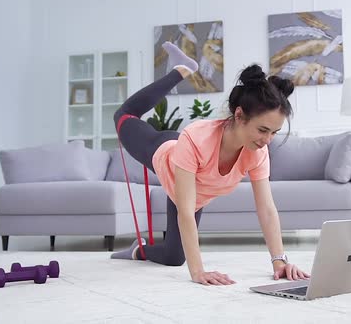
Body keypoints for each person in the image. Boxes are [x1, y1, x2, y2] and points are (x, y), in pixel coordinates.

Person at [111, 41, 310, 286]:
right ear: (239, 115)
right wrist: (198, 272)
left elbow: (267, 209)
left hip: (190, 188)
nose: (267, 140)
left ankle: (138, 249)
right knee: (123, 116)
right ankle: (180, 70)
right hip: (165, 151)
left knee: (174, 257)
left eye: (274, 132)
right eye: (262, 130)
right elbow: (185, 211)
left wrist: (279, 261)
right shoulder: (195, 138)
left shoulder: (257, 151)